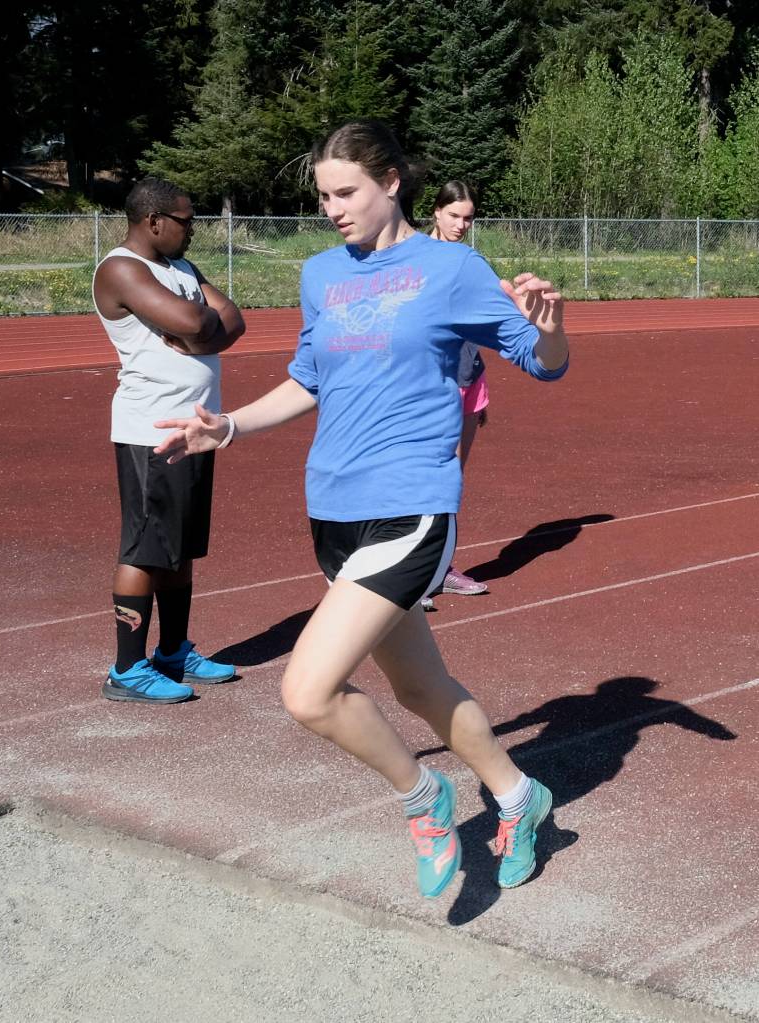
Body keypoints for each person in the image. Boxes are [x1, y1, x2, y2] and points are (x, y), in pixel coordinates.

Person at [155, 121, 569, 896]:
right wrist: (229, 425)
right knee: (419, 688)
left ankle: (424, 798)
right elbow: (308, 378)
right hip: (334, 509)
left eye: (346, 192)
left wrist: (551, 332)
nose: (333, 209)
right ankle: (522, 798)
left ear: (392, 183)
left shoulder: (449, 267)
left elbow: (541, 361)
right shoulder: (322, 275)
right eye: (322, 196)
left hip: (412, 505)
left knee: (307, 691)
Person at [92, 176, 245, 704]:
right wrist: (196, 324)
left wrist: (196, 331)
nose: (193, 230)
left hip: (194, 428)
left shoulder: (180, 268)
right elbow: (192, 317)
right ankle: (127, 668)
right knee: (144, 547)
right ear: (153, 220)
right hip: (149, 430)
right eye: (186, 221)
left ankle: (174, 650)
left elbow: (234, 321)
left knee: (178, 547)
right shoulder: (121, 268)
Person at [423, 180, 489, 607]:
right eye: (454, 216)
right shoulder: (415, 258)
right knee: (424, 478)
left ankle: (442, 570)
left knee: (450, 482)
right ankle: (417, 576)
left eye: (468, 218)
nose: (462, 225)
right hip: (431, 384)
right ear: (436, 212)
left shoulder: (470, 260)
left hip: (471, 379)